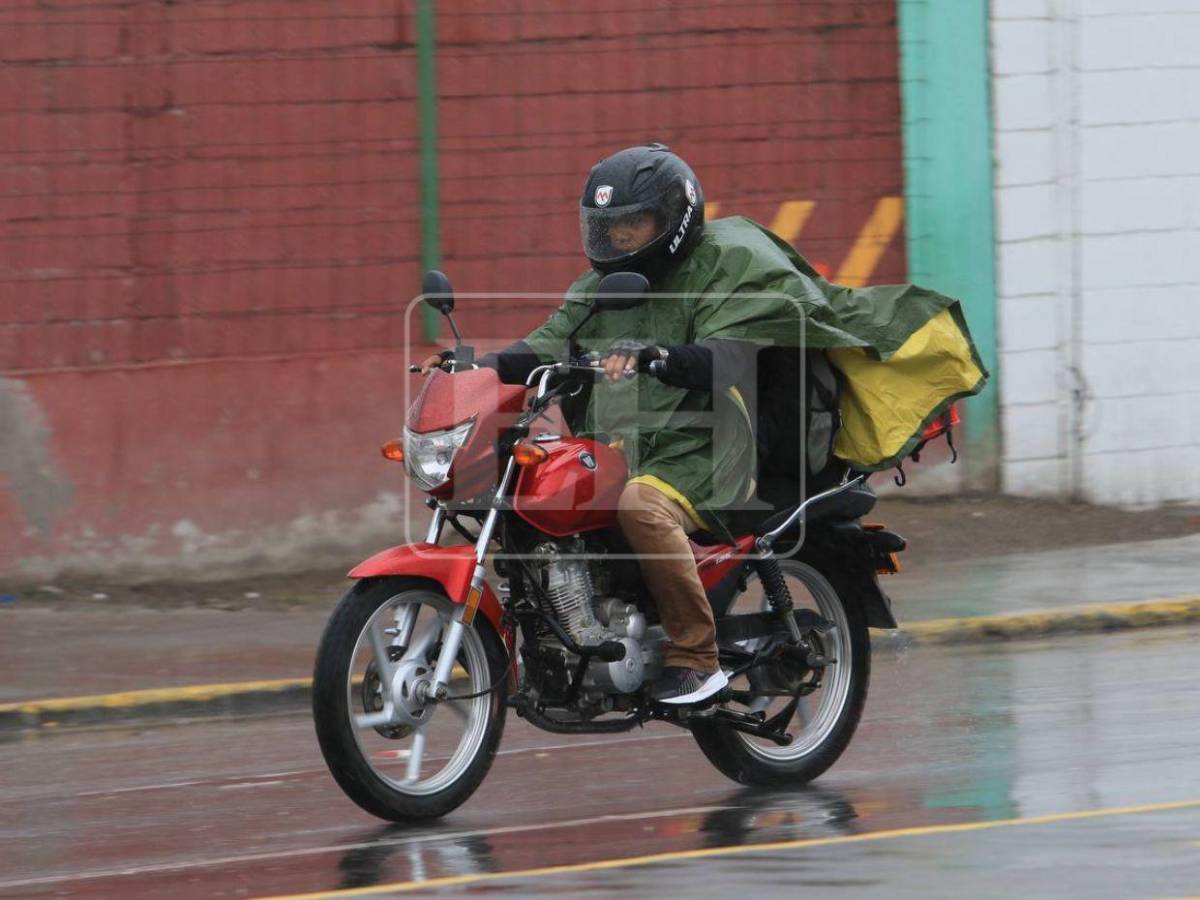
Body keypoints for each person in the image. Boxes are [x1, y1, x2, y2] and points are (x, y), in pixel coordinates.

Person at [420, 144, 833, 704]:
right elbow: (546, 343)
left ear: (675, 219)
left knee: (641, 505)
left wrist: (659, 355)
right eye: (607, 226)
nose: (617, 238)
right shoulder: (597, 290)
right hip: (625, 442)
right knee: (539, 492)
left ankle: (697, 658)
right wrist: (476, 367)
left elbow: (731, 355)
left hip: (705, 448)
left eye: (633, 224)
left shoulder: (723, 270)